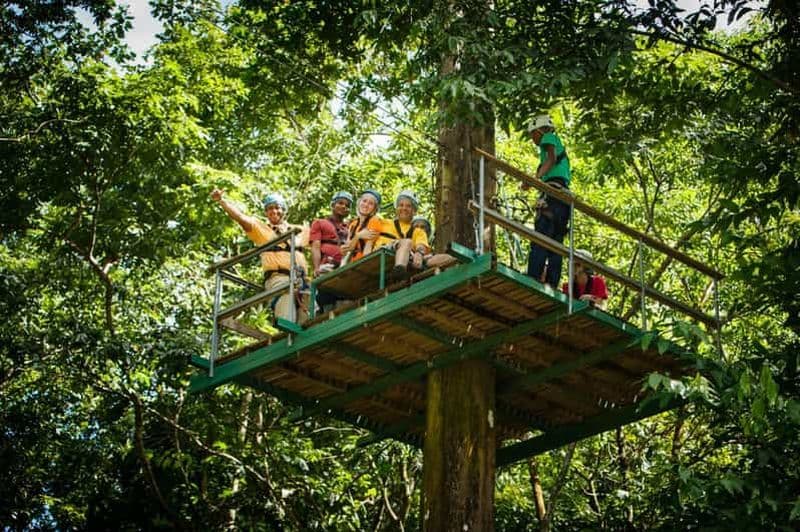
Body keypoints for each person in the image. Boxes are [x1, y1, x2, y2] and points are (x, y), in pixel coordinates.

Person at [210, 188, 309, 323]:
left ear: (284, 211)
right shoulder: (261, 229)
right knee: (285, 301)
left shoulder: (299, 230)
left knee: (309, 309)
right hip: (279, 278)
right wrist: (222, 201)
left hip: (301, 279)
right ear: (266, 213)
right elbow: (240, 217)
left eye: (277, 208)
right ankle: (287, 336)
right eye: (269, 209)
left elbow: (321, 239)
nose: (274, 211)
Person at [523, 114, 572, 288]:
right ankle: (552, 281)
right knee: (556, 241)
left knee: (542, 236)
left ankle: (534, 275)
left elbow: (551, 160)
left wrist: (534, 179)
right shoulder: (555, 148)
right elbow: (550, 161)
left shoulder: (549, 138)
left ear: (540, 131)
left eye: (532, 134)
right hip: (563, 198)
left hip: (553, 193)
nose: (532, 139)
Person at [310, 190, 352, 311]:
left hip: (345, 267)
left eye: (347, 205)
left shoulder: (350, 227)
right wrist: (316, 268)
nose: (344, 206)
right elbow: (316, 246)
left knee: (344, 300)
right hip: (327, 265)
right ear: (333, 205)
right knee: (327, 298)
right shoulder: (320, 223)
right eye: (340, 203)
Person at [374, 190, 431, 278]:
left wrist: (419, 253)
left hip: (408, 257)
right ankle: (399, 272)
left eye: (408, 206)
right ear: (396, 208)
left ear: (414, 211)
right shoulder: (383, 223)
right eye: (401, 205)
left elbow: (421, 245)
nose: (404, 208)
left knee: (434, 258)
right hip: (382, 251)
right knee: (407, 242)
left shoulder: (418, 232)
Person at [341, 189, 383, 263]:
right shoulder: (353, 224)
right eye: (364, 201)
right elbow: (347, 248)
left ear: (374, 208)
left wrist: (364, 266)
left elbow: (368, 248)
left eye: (371, 204)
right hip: (352, 262)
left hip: (363, 262)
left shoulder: (374, 221)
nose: (366, 205)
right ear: (359, 202)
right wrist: (358, 236)